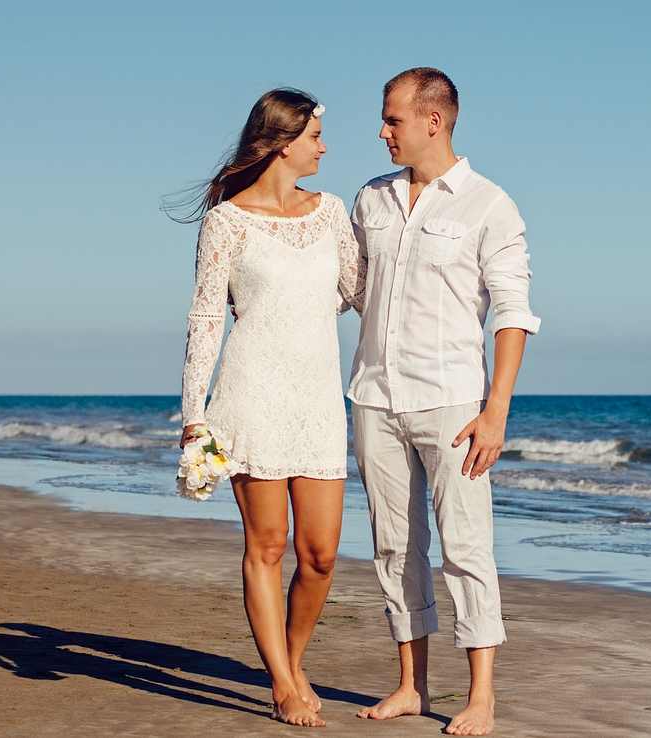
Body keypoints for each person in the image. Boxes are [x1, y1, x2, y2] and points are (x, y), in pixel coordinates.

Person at [347, 67, 540, 737]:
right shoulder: (369, 200)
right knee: (393, 548)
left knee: (465, 547)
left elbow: (513, 314)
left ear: (435, 120)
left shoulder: (490, 204)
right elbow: (348, 288)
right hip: (373, 396)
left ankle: (481, 695)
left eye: (392, 119)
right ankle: (411, 685)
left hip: (455, 404)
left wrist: (497, 409)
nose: (382, 131)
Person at [173, 88, 363, 728]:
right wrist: (193, 415)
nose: (324, 147)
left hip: (316, 399)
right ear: (281, 143)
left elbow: (358, 293)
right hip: (249, 395)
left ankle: (291, 658)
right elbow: (205, 318)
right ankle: (283, 683)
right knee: (268, 544)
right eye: (314, 136)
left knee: (322, 554)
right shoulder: (225, 221)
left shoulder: (332, 212)